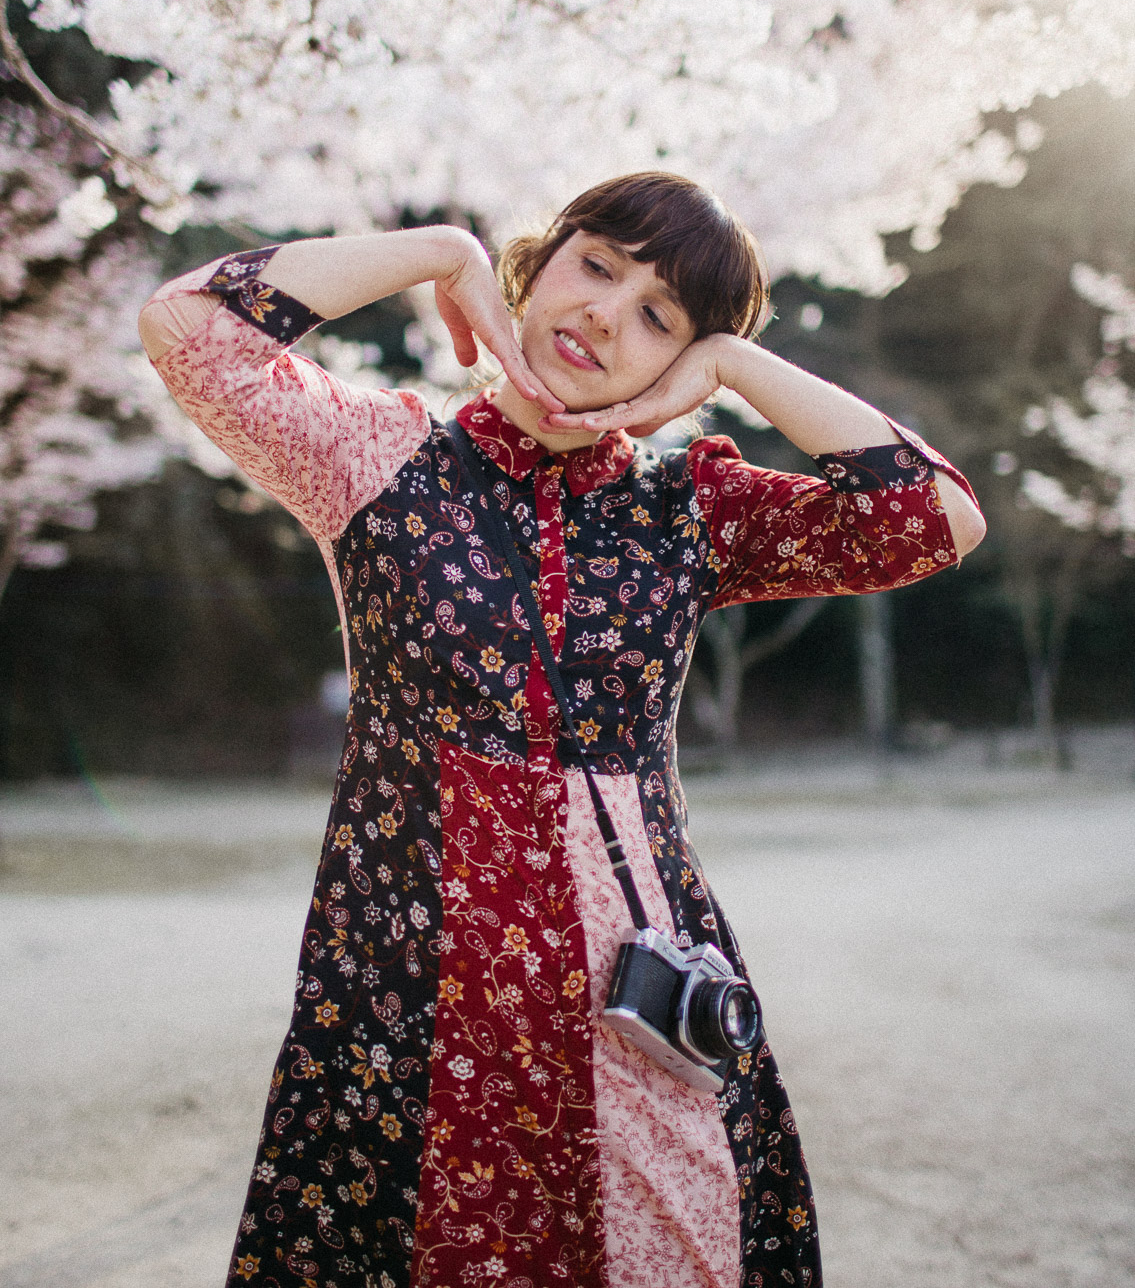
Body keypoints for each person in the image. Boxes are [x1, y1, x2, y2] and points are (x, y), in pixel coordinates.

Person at [139, 172, 984, 1288]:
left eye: (658, 316)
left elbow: (933, 518)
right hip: (412, 983)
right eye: (596, 265)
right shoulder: (380, 459)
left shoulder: (689, 511)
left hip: (640, 992)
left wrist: (731, 366)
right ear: (538, 265)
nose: (603, 314)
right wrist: (441, 250)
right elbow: (188, 327)